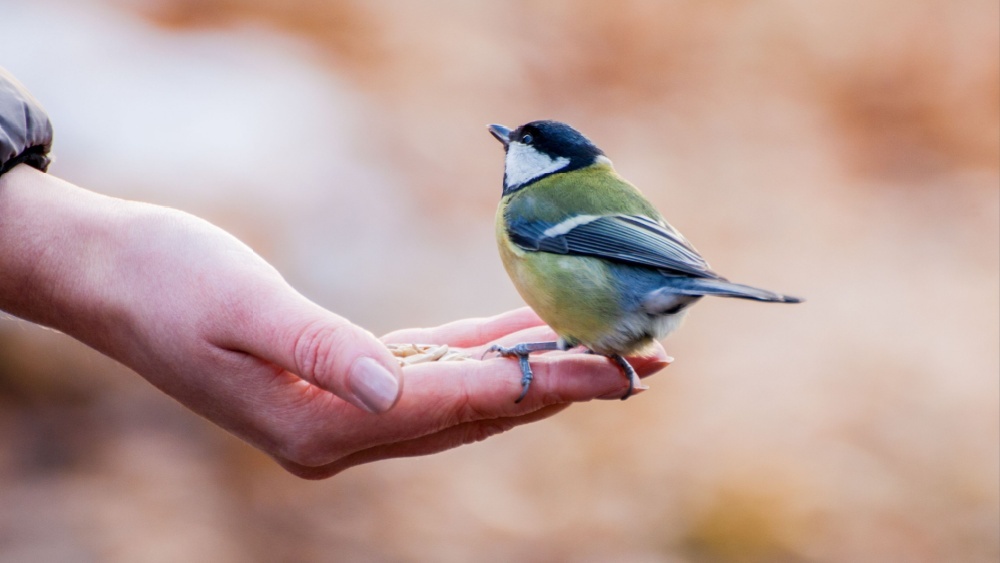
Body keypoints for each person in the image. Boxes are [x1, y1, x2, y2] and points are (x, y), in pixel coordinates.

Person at [0, 68, 668, 478]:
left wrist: (92, 256)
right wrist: (96, 261)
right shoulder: (544, 200)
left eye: (517, 142)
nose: (505, 143)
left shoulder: (536, 203)